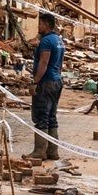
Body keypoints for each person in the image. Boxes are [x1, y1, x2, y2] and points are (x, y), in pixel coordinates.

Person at [30, 12, 65, 161]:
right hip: (57, 81)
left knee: (41, 116)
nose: (38, 26)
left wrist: (35, 82)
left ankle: (39, 151)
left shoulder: (46, 42)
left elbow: (43, 63)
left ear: (46, 25)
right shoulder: (58, 40)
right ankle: (52, 151)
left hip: (46, 82)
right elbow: (60, 63)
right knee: (52, 116)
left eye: (40, 24)